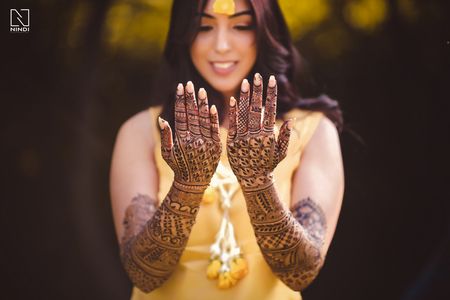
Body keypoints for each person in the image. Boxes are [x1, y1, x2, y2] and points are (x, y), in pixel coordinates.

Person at [110, 0, 344, 299]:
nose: (221, 45)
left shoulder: (311, 131)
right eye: (204, 27)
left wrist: (258, 182)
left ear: (265, 31)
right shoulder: (143, 131)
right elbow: (143, 272)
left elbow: (300, 272)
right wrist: (188, 185)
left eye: (242, 26)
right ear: (183, 35)